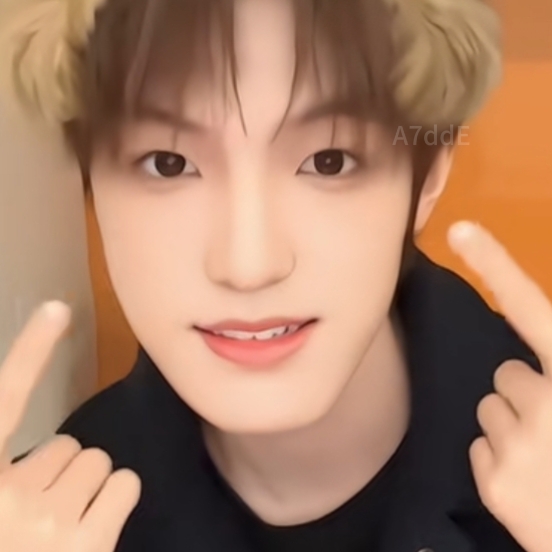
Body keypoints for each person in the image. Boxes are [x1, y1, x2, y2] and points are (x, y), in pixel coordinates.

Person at [1, 0, 552, 551]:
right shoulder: (51, 521)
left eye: (329, 160)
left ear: (427, 180)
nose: (249, 266)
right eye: (168, 163)